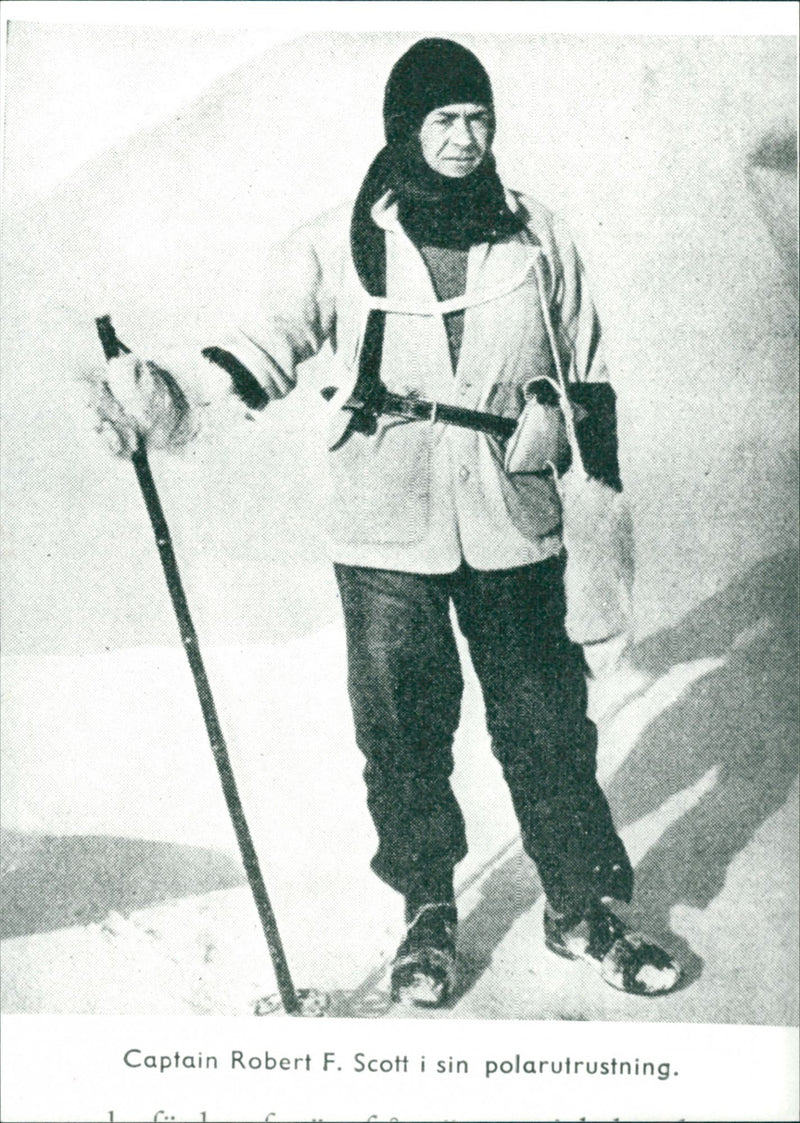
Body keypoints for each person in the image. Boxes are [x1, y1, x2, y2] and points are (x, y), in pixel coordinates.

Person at [89, 38, 681, 1007]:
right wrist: (168, 394)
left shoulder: (536, 238)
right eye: (442, 120)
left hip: (510, 514)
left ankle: (582, 905)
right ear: (404, 128)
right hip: (382, 525)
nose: (462, 137)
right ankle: (426, 912)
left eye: (476, 118)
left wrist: (599, 512)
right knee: (403, 730)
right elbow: (266, 345)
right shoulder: (335, 241)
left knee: (545, 725)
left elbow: (590, 371)